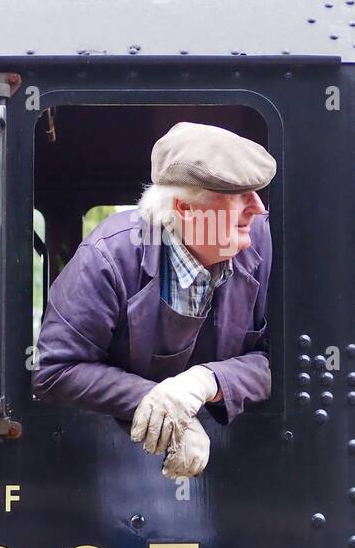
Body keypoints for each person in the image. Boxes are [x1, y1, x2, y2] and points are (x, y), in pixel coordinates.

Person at [33, 122, 274, 479]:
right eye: (238, 195)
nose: (257, 207)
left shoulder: (262, 241)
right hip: (113, 473)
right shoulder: (107, 256)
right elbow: (56, 369)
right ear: (186, 209)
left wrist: (206, 382)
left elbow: (285, 357)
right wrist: (161, 404)